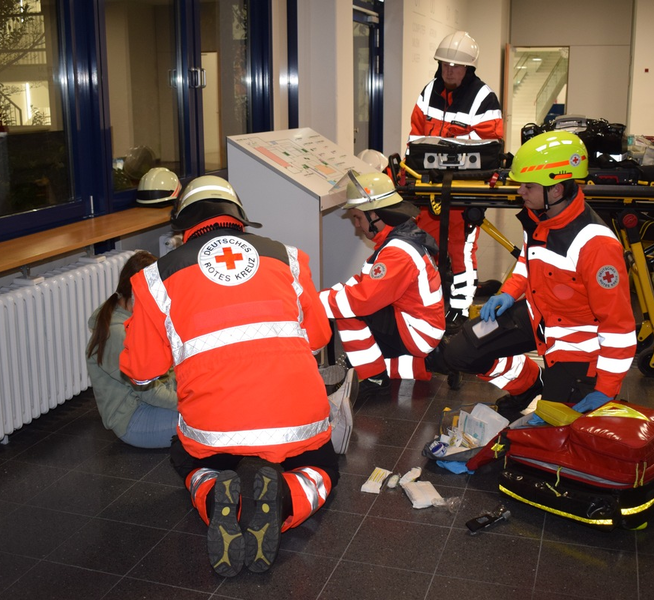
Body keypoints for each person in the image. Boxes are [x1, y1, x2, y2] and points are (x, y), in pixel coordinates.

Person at [119, 176, 338, 577]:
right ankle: (285, 498)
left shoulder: (155, 277)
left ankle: (212, 493)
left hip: (214, 424)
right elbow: (320, 336)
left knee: (188, 457)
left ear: (184, 224)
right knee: (322, 466)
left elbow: (142, 372)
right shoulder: (288, 257)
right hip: (294, 415)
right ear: (238, 217)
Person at [431, 131, 637, 421]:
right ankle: (528, 384)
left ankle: (570, 391)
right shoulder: (541, 217)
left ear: (557, 190)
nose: (521, 192)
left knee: (555, 428)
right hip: (538, 316)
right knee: (459, 352)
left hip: (576, 346)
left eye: (528, 186)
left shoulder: (597, 245)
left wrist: (606, 388)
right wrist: (509, 292)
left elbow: (619, 327)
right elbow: (528, 262)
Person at [319, 171, 445, 401]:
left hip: (417, 330)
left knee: (349, 311)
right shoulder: (399, 238)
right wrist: (325, 295)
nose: (357, 226)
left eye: (358, 218)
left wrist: (314, 303)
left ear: (375, 215)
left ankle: (374, 379)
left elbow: (362, 299)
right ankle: (421, 364)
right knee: (347, 308)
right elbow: (363, 281)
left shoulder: (396, 252)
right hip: (420, 323)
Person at [408, 31, 504, 331]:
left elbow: (489, 146)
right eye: (445, 64)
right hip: (431, 187)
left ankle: (461, 309)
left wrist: (448, 148)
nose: (449, 71)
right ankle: (429, 299)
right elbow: (415, 136)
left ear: (468, 68)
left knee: (460, 249)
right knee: (424, 243)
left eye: (457, 66)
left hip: (466, 188)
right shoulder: (428, 92)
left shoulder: (484, 99)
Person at [86, 251, 179, 448]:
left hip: (152, 398)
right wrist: (189, 403)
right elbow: (149, 392)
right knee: (206, 420)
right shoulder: (117, 334)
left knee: (214, 400)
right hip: (133, 418)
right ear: (136, 292)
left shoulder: (134, 313)